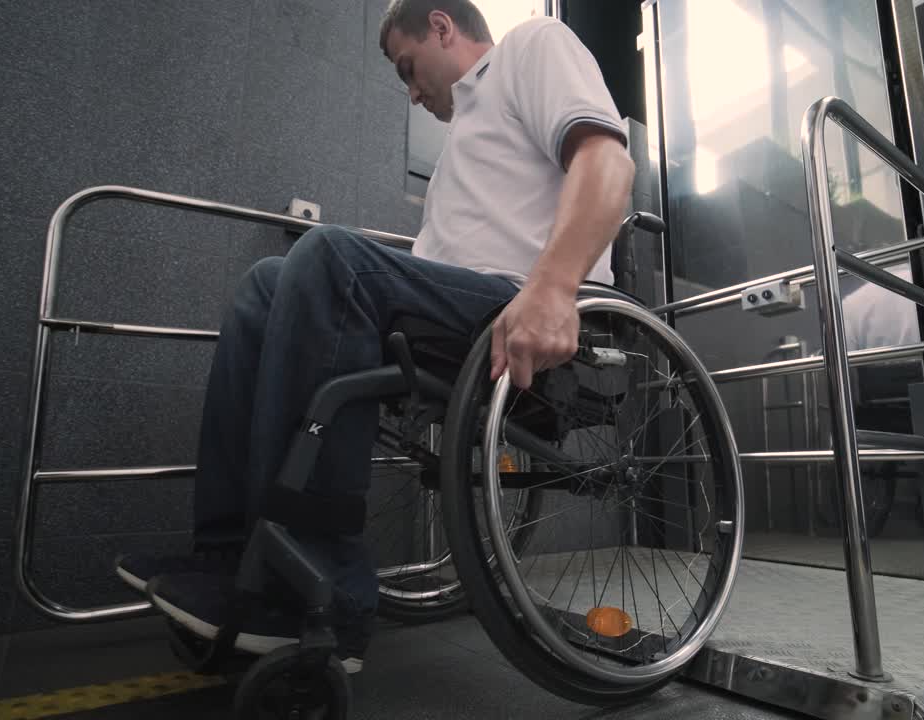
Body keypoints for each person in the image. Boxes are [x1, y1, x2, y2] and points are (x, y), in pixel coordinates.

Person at [114, 0, 634, 675]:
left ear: (443, 26)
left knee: (330, 257)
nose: (413, 93)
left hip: (527, 304)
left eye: (409, 69)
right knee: (265, 286)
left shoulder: (535, 46)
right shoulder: (460, 148)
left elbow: (607, 161)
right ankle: (232, 557)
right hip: (455, 317)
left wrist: (555, 287)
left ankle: (314, 584)